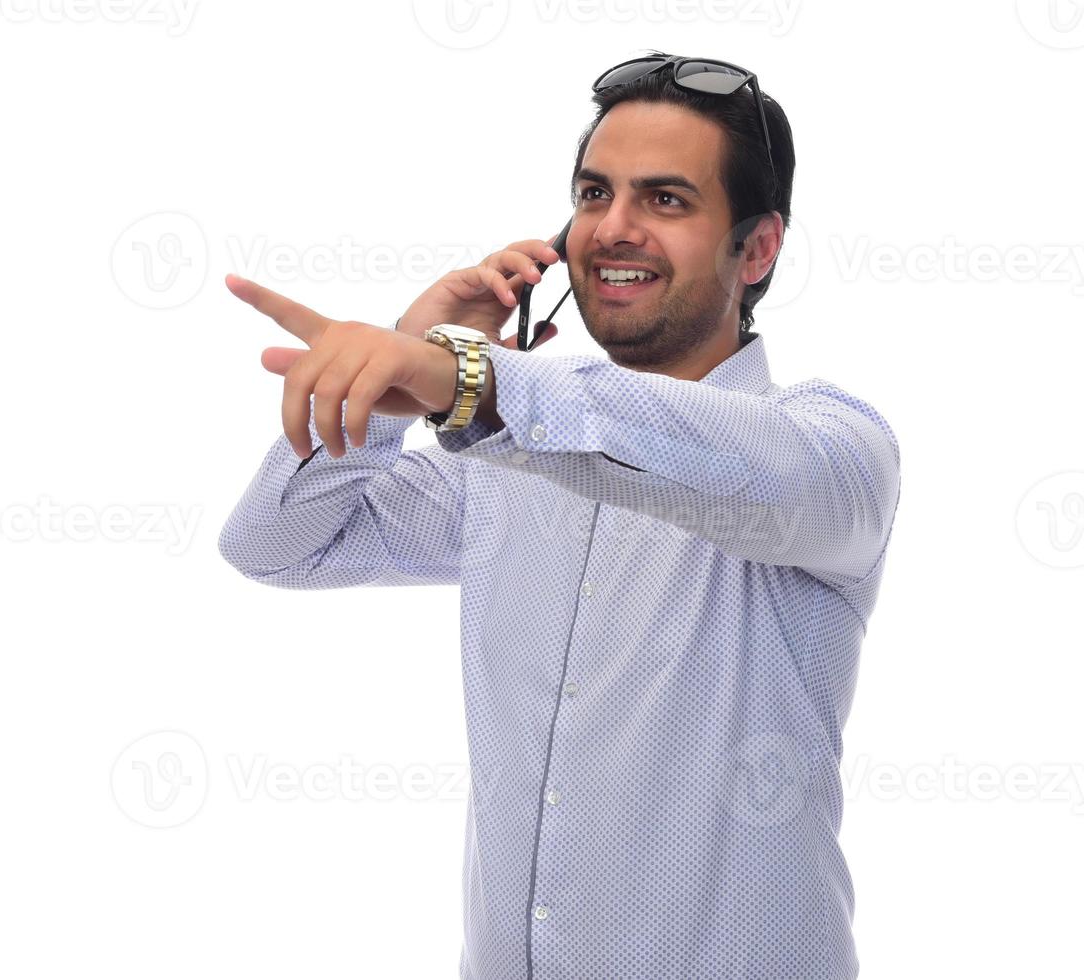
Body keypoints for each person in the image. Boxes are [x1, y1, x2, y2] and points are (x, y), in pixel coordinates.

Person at [218, 52, 901, 980]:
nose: (612, 231)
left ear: (758, 247)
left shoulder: (832, 455)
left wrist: (466, 381)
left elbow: (712, 458)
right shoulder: (505, 460)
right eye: (593, 193)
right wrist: (405, 370)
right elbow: (279, 544)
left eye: (665, 201)